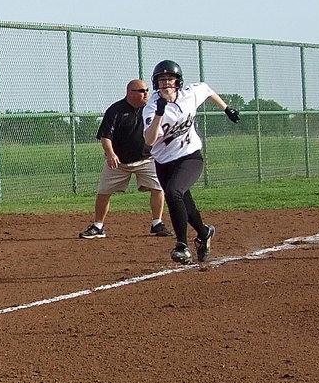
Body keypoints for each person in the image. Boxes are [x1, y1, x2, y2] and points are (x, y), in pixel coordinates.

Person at [142, 60, 240, 264]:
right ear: (155, 83)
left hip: (190, 155)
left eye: (170, 79)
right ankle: (204, 233)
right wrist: (160, 113)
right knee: (185, 203)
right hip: (164, 162)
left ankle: (182, 245)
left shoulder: (188, 94)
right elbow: (150, 140)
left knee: (173, 193)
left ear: (178, 81)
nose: (166, 83)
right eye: (162, 80)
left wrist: (226, 108)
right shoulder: (152, 107)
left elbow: (206, 89)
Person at [78, 80, 171, 239]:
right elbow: (105, 136)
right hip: (119, 162)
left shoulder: (150, 109)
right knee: (103, 192)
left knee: (158, 188)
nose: (146, 94)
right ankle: (98, 226)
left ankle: (157, 224)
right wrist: (110, 154)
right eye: (141, 91)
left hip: (146, 159)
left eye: (147, 90)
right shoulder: (116, 110)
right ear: (130, 93)